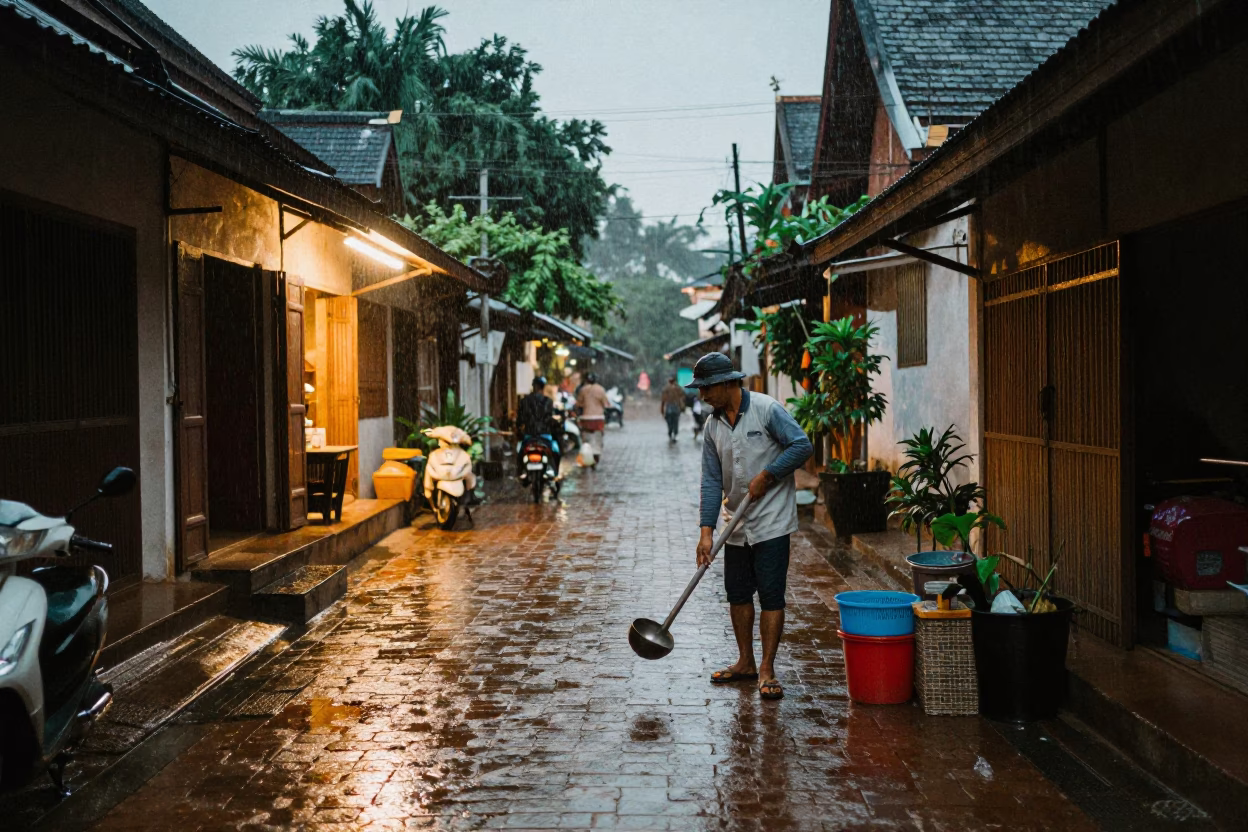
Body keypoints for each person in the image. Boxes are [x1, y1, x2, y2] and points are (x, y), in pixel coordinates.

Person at [689, 352, 813, 701]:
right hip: (737, 524)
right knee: (738, 593)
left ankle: (767, 669)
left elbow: (802, 445)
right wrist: (706, 532)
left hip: (772, 519)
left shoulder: (766, 409)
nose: (703, 396)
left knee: (771, 595)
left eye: (707, 388)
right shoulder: (712, 426)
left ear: (728, 383)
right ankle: (746, 661)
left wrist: (769, 475)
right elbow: (712, 480)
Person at [515, 376, 560, 475]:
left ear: (533, 386)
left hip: (529, 435)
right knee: (556, 451)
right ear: (543, 387)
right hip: (545, 435)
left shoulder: (524, 401)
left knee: (520, 452)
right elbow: (549, 418)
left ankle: (519, 473)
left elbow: (520, 420)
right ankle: (555, 473)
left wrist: (518, 428)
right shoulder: (548, 401)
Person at [576, 371, 610, 457]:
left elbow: (579, 404)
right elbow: (606, 404)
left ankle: (587, 452)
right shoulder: (600, 389)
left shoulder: (583, 390)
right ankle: (597, 452)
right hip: (598, 419)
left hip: (585, 418)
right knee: (598, 437)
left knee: (585, 438)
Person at [660, 376, 685, 443]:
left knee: (669, 423)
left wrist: (662, 411)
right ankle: (674, 435)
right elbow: (682, 396)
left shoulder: (665, 388)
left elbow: (663, 401)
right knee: (675, 422)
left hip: (669, 408)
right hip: (676, 408)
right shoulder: (678, 388)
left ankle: (670, 434)